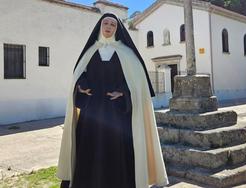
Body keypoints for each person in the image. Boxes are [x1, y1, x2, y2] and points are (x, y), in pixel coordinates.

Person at [56, 12, 169, 188]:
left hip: (118, 115)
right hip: (91, 114)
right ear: (100, 27)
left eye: (113, 24)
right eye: (105, 23)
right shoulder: (90, 51)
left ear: (117, 29)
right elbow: (80, 75)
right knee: (89, 151)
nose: (108, 27)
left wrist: (123, 91)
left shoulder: (127, 53)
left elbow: (136, 82)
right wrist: (81, 85)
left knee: (117, 153)